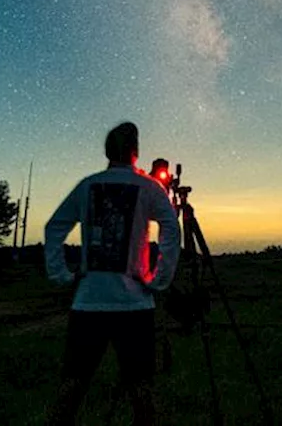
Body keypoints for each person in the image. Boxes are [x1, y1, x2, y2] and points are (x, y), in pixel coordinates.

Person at [43, 122, 182, 426]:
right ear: (136, 151)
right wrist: (158, 278)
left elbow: (54, 228)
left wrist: (62, 275)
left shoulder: (87, 186)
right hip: (134, 305)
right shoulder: (149, 188)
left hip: (88, 303)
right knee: (142, 391)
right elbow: (171, 228)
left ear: (107, 150)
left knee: (72, 387)